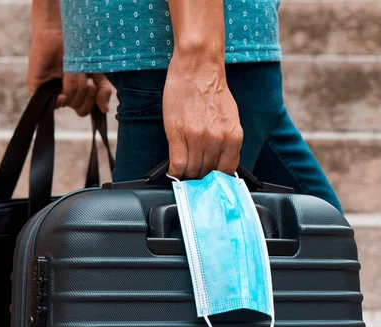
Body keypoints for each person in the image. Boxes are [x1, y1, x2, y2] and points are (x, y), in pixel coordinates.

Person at [27, 0, 343, 212]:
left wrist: (54, 24)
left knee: (322, 242)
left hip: (139, 35)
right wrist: (199, 58)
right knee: (149, 286)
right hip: (192, 40)